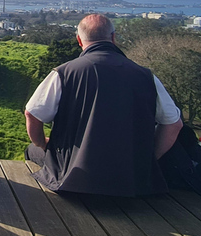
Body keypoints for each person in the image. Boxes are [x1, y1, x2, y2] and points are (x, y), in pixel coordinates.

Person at [24, 13, 183, 196]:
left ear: (79, 40)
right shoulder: (146, 76)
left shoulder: (64, 73)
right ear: (113, 38)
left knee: (32, 150)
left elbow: (32, 114)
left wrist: (43, 144)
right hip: (131, 183)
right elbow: (174, 124)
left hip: (73, 180)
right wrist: (147, 161)